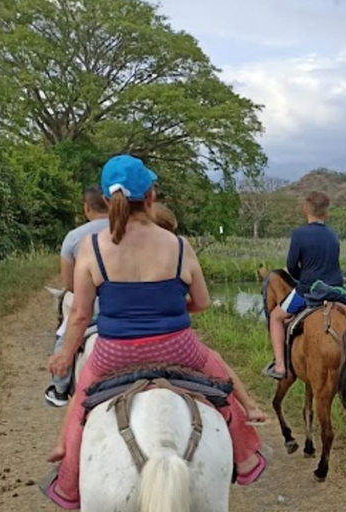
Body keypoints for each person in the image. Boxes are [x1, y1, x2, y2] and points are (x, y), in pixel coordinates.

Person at [43, 155, 267, 509]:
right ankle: (243, 453)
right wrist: (173, 310)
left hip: (115, 351)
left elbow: (81, 314)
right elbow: (202, 301)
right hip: (178, 347)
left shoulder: (91, 248)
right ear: (150, 196)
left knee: (82, 396)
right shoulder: (177, 245)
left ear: (106, 200)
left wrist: (64, 354)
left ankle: (67, 470)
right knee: (220, 385)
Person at [264, 191, 343, 380]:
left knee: (276, 317)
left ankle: (281, 366)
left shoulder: (299, 234)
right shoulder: (333, 235)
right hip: (336, 290)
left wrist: (302, 279)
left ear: (305, 209)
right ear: (327, 213)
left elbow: (291, 265)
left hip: (309, 290)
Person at [44, 186, 109, 407]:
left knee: (65, 339)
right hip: (130, 305)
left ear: (86, 207)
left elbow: (69, 284)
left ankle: (60, 388)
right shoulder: (129, 231)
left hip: (93, 308)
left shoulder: (74, 237)